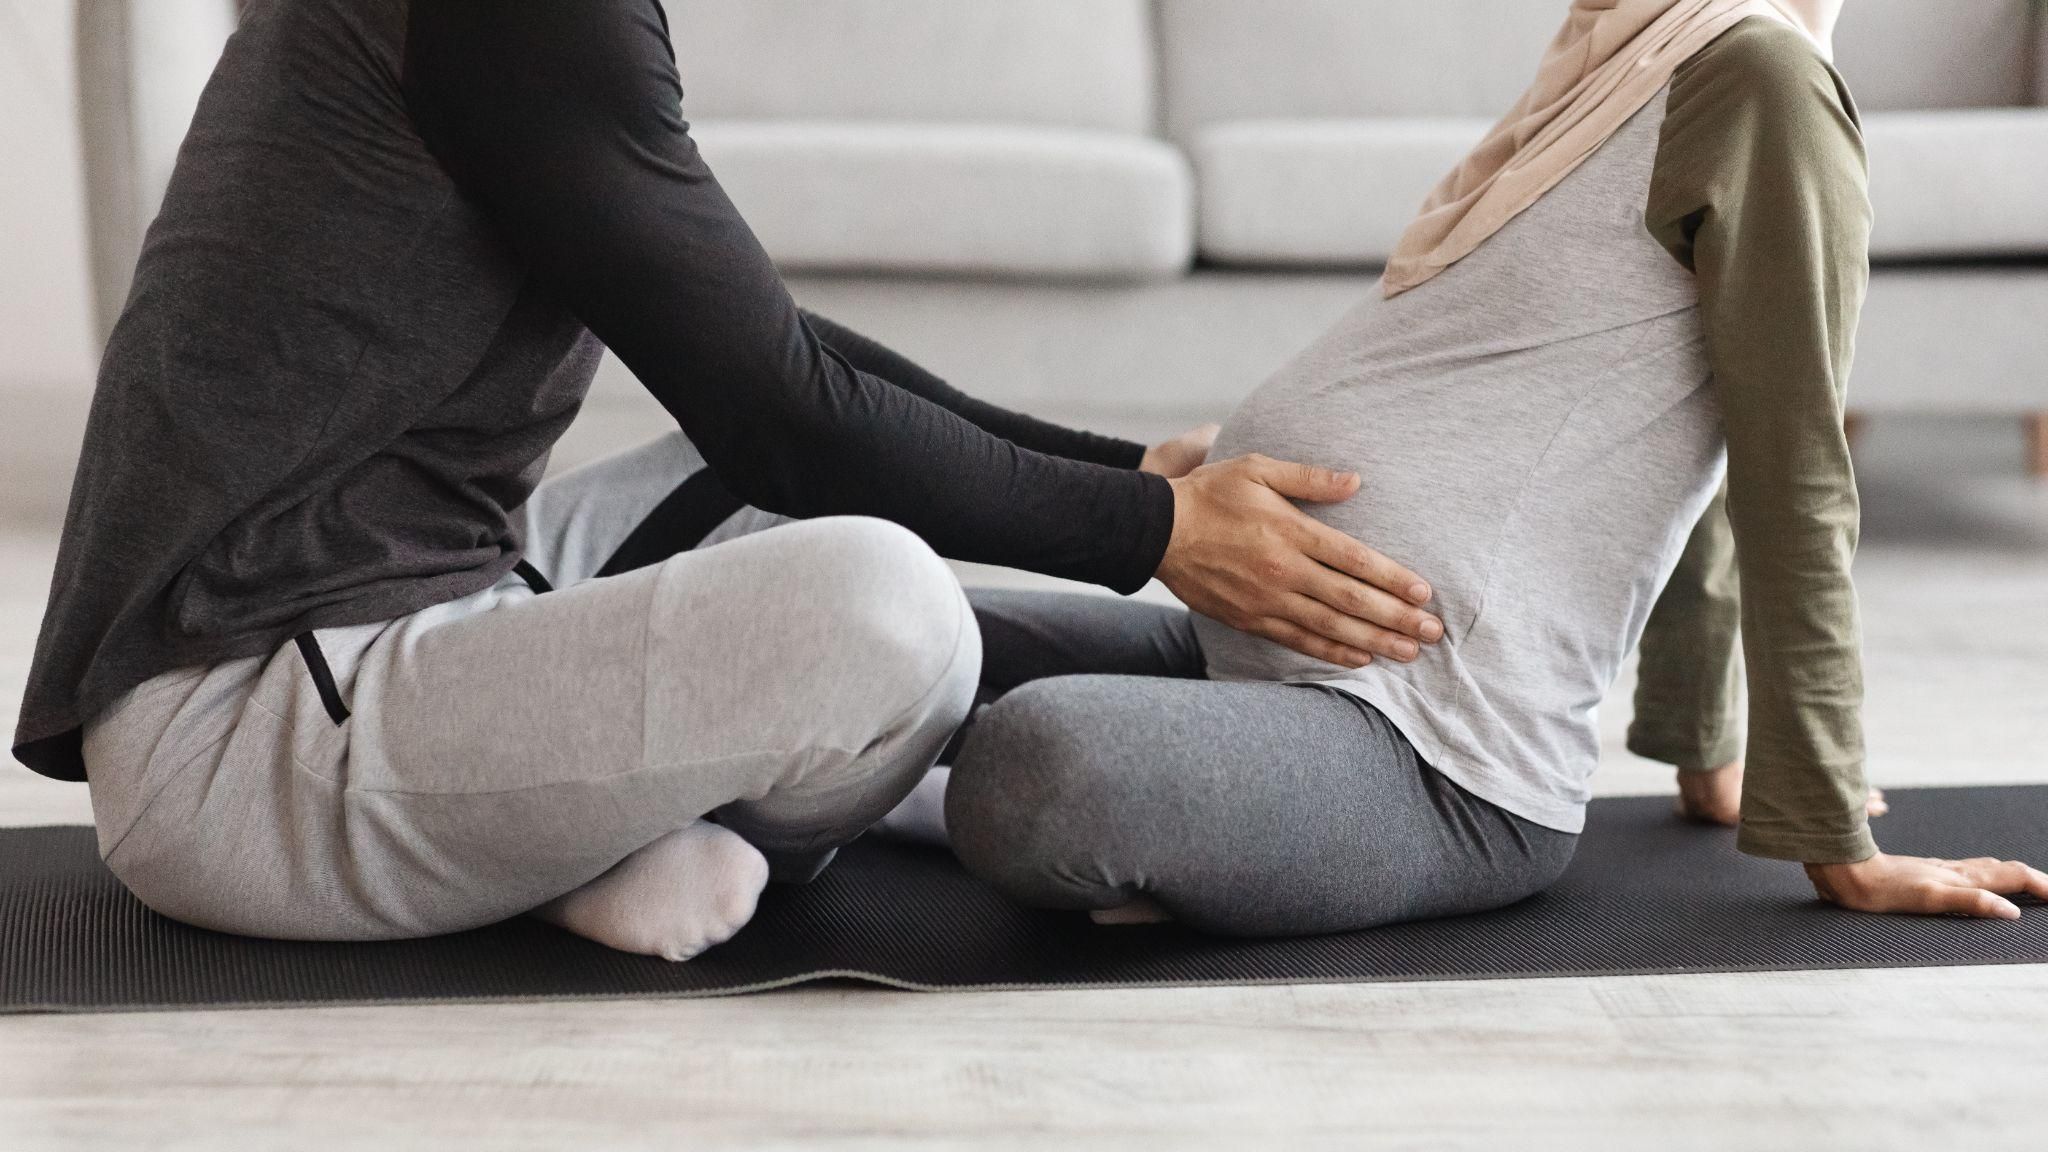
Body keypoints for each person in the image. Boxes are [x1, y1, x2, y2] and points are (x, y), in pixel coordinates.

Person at [10, 1, 1445, 961]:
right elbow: (786, 411)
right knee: (886, 611)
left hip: (417, 608)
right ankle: (610, 833)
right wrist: (1155, 532)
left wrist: (1127, 470)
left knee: (750, 491)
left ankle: (576, 825)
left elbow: (761, 348)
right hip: (248, 743)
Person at [917, 0, 2048, 936]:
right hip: (1270, 642)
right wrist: (1704, 752)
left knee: (1039, 761)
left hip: (1432, 752)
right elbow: (1688, 407)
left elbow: (1783, 458)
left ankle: (856, 797)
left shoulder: (1765, 82)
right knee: (905, 619)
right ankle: (853, 784)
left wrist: (1825, 833)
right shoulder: (1622, 55)